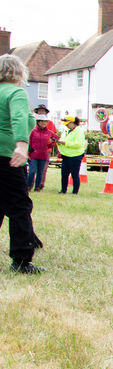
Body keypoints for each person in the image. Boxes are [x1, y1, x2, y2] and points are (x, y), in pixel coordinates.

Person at [0, 55, 40, 273]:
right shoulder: (16, 92)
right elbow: (18, 118)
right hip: (8, 155)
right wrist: (22, 145)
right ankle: (22, 260)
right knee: (19, 207)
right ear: (19, 72)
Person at [27, 115, 58, 192]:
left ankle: (37, 187)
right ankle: (28, 186)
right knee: (32, 171)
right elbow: (29, 143)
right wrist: (28, 153)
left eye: (45, 121)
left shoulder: (49, 132)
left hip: (43, 155)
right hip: (33, 155)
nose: (43, 123)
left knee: (40, 172)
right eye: (41, 121)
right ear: (38, 122)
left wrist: (49, 146)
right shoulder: (33, 131)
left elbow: (56, 139)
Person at [57, 115, 87, 195]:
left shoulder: (79, 131)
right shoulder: (66, 131)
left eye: (67, 123)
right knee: (64, 174)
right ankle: (63, 190)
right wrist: (58, 142)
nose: (66, 125)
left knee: (74, 174)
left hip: (75, 156)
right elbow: (62, 139)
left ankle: (75, 191)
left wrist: (65, 143)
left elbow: (78, 144)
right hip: (65, 155)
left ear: (72, 122)